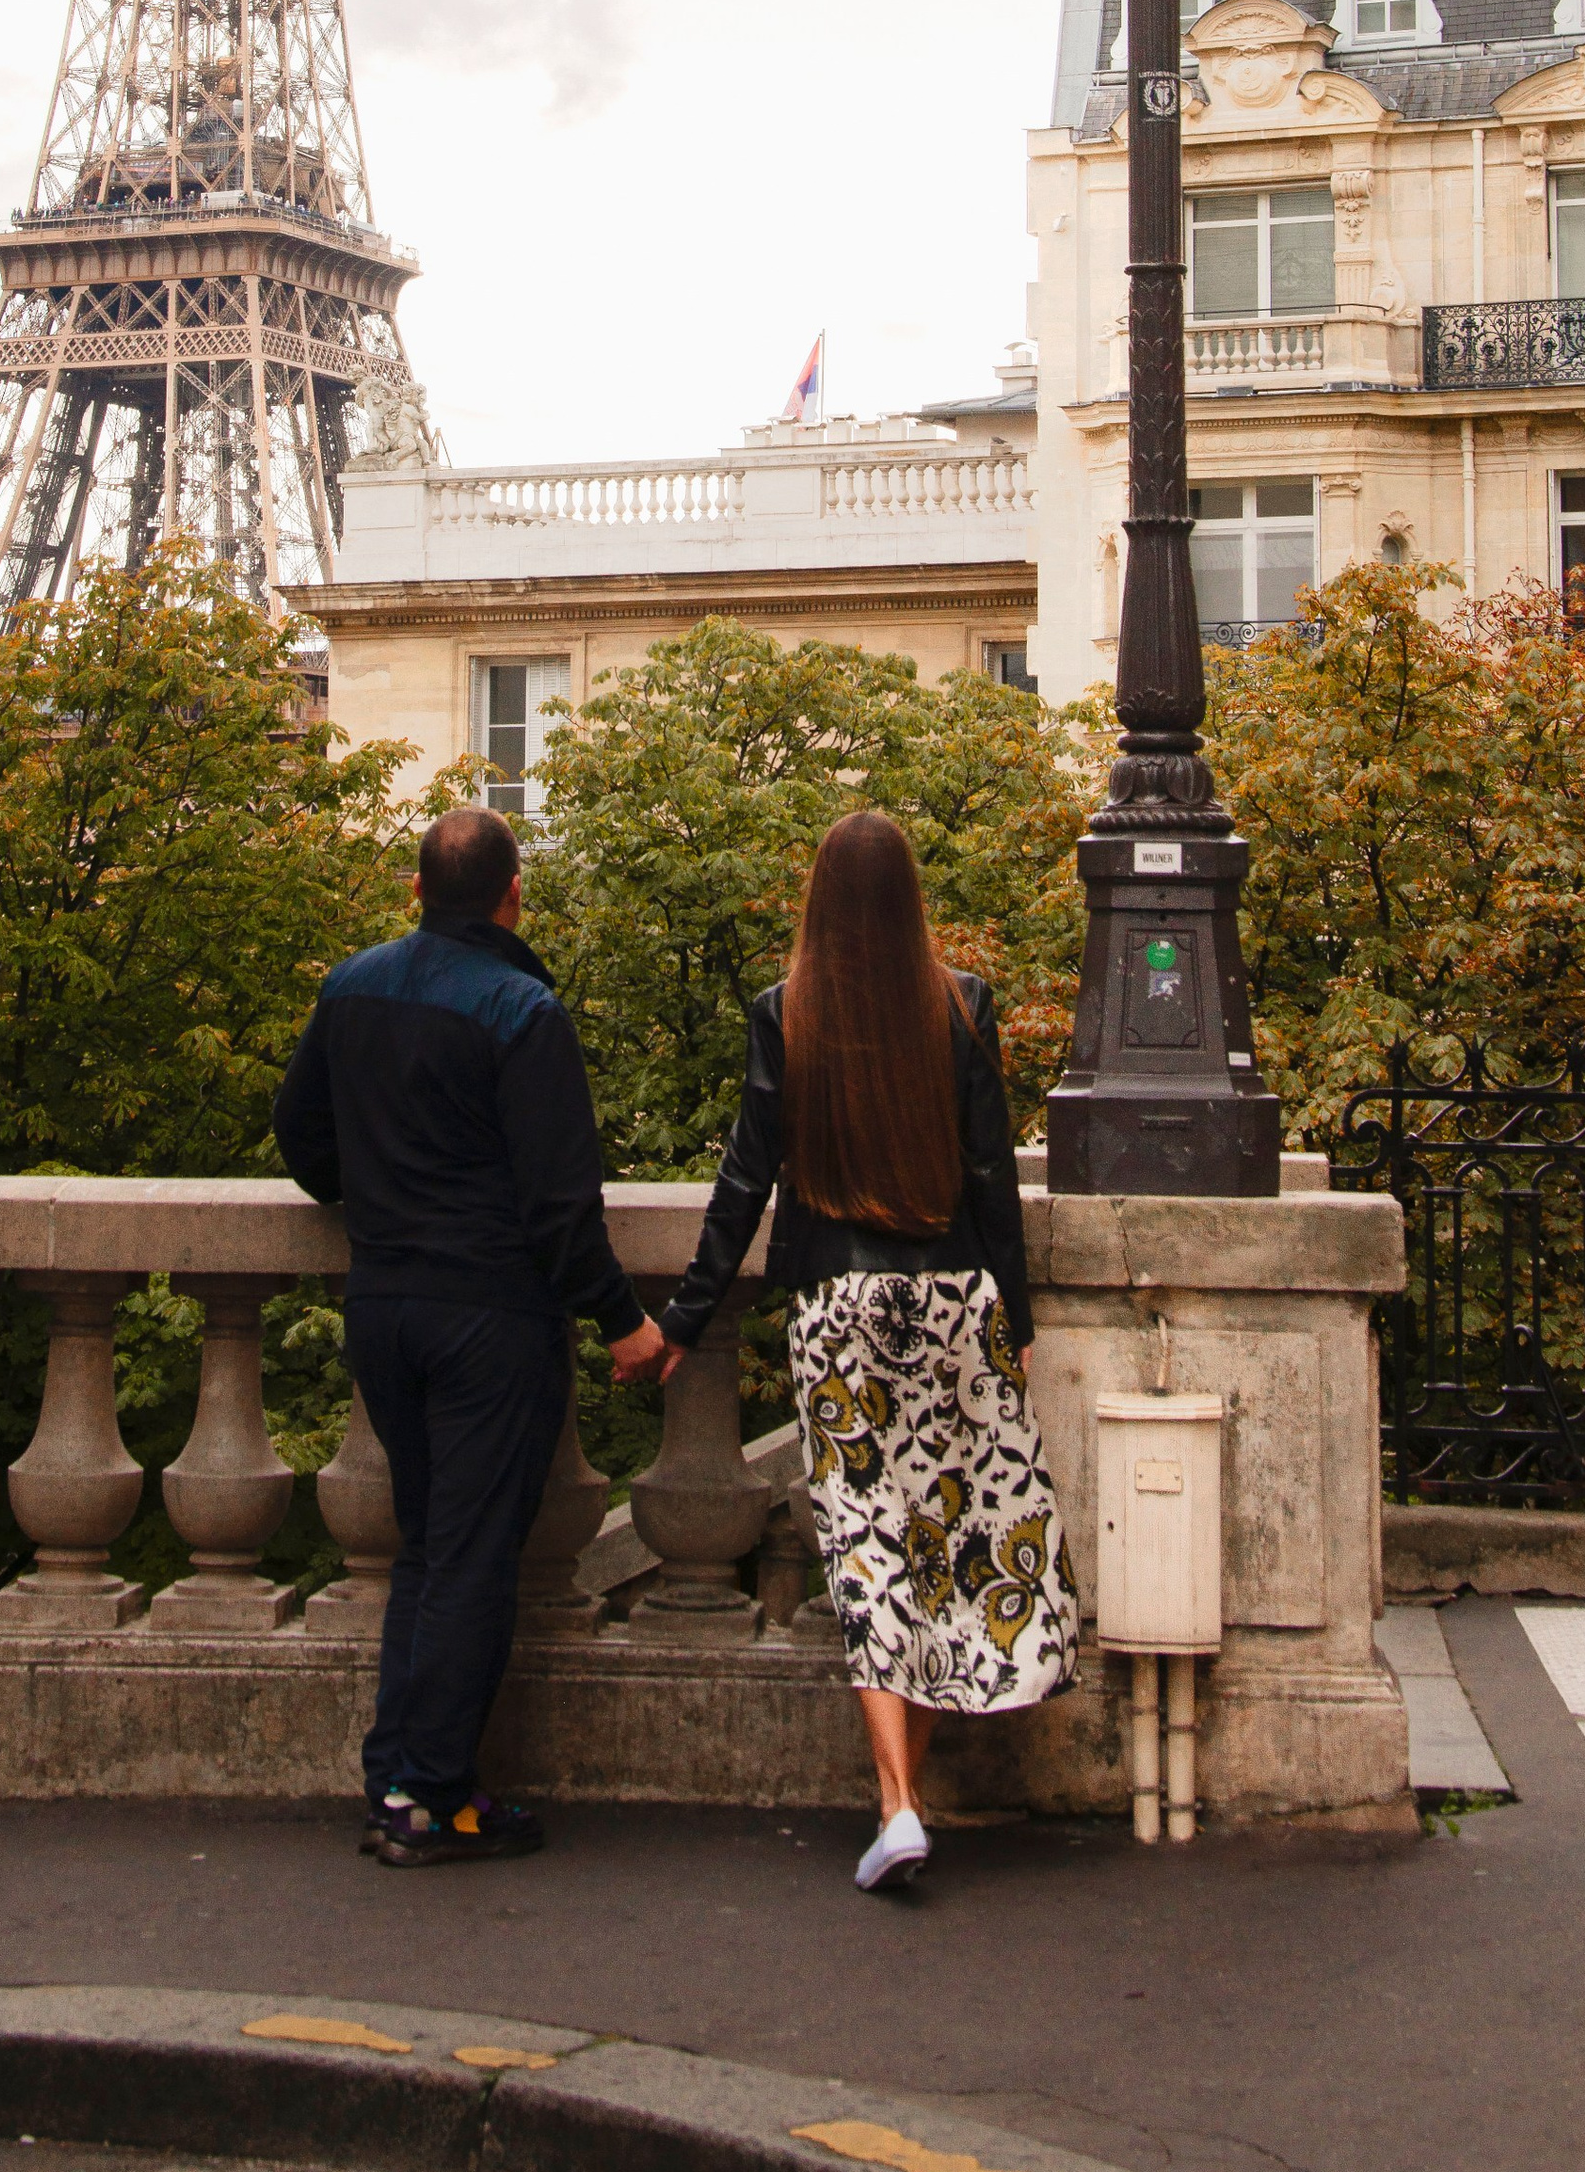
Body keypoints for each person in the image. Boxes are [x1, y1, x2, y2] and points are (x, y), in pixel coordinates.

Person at [653, 808, 1077, 1894]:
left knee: (865, 1550)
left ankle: (896, 1806)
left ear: (817, 900)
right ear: (909, 902)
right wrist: (1014, 1326)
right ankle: (903, 1801)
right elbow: (993, 1182)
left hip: (841, 1311)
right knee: (947, 1541)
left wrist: (683, 1320)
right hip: (950, 1303)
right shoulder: (960, 1004)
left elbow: (743, 1183)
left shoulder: (785, 1013)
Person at [274, 802, 666, 1868]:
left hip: (383, 1306)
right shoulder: (519, 1009)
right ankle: (431, 1795)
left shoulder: (350, 987)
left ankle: (398, 1779)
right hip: (488, 1319)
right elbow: (558, 1205)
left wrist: (376, 1194)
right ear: (512, 895)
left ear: (414, 891)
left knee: (427, 1550)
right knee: (469, 1559)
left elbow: (301, 1138)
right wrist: (623, 1320)